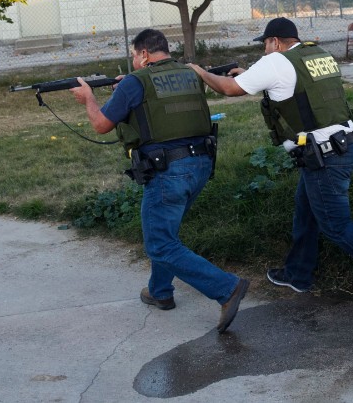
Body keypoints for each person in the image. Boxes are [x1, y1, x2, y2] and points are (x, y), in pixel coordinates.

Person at [190, 17, 353, 319]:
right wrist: (250, 74)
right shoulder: (317, 55)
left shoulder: (275, 62)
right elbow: (294, 87)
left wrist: (200, 71)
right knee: (306, 209)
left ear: (275, 42)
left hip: (325, 157)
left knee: (337, 226)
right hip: (341, 146)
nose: (265, 49)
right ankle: (298, 274)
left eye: (265, 43)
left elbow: (230, 89)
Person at [70, 28, 249, 333]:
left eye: (133, 55)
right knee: (166, 231)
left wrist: (88, 98)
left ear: (143, 54)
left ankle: (226, 288)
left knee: (159, 243)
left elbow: (101, 125)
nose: (133, 61)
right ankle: (160, 291)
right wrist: (124, 91)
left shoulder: (135, 82)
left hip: (168, 171)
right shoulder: (191, 73)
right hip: (201, 163)